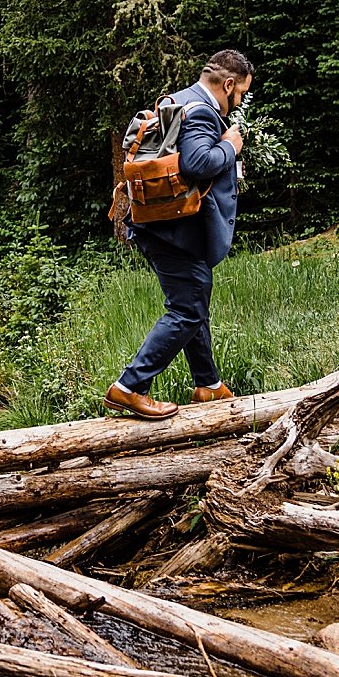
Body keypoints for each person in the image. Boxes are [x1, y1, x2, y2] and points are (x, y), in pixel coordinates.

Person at [104, 49, 254, 420]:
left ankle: (208, 384)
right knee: (186, 309)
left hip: (162, 226)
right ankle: (129, 387)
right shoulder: (202, 111)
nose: (236, 105)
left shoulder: (177, 101)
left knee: (194, 303)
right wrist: (230, 147)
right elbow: (196, 163)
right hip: (174, 232)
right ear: (229, 84)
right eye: (239, 95)